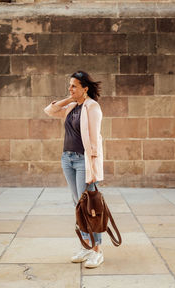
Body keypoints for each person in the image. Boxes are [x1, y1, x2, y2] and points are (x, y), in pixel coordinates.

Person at [44, 70, 104, 268]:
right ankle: (86, 245)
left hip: (82, 161)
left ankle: (97, 250)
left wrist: (93, 169)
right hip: (67, 159)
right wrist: (68, 98)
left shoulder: (92, 107)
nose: (70, 89)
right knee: (77, 206)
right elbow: (49, 111)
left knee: (89, 207)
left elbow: (94, 140)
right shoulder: (71, 107)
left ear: (85, 89)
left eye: (74, 86)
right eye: (69, 85)